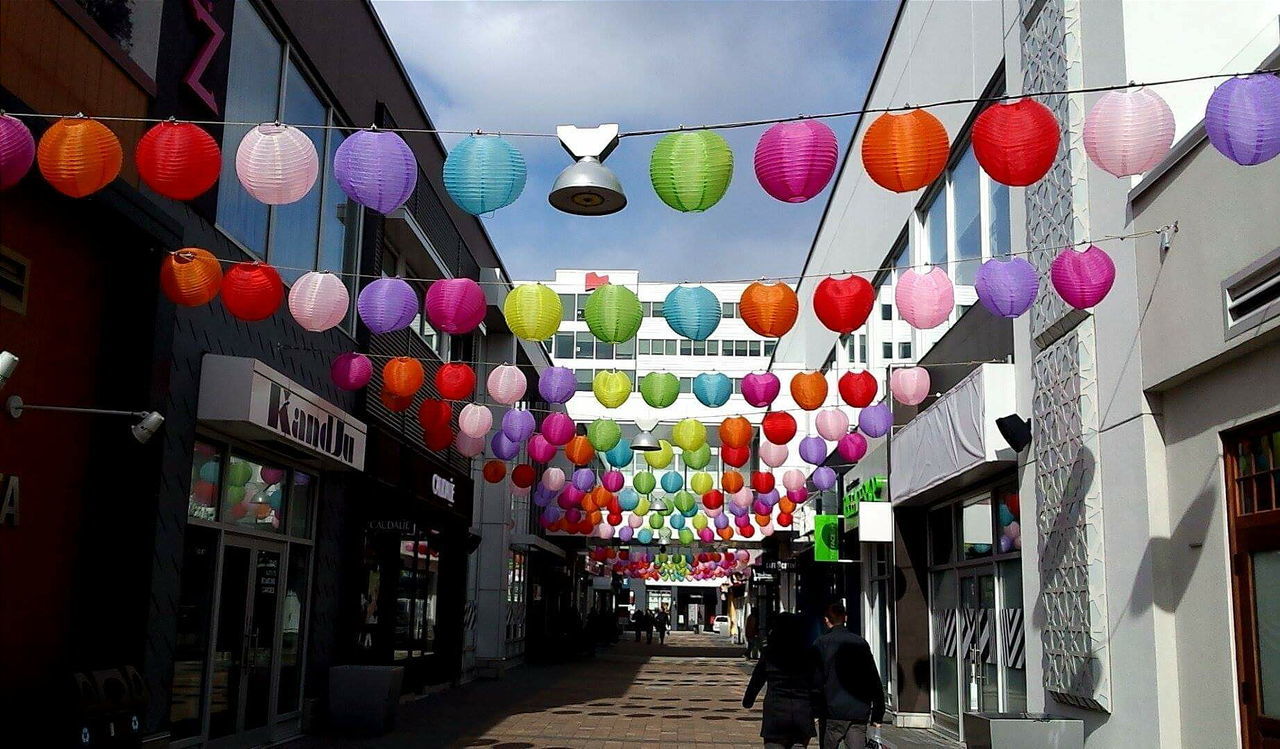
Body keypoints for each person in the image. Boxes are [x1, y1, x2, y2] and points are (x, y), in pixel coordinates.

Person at [742, 613, 821, 748]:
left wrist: (748, 701)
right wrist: (817, 709)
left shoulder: (769, 653)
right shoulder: (809, 654)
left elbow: (757, 681)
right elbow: (817, 683)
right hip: (802, 714)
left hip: (776, 715)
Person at [813, 603, 885, 749]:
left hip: (832, 711)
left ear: (826, 620)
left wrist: (814, 709)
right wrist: (878, 713)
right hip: (858, 711)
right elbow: (873, 679)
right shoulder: (860, 643)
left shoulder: (821, 643)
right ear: (845, 618)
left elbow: (816, 680)